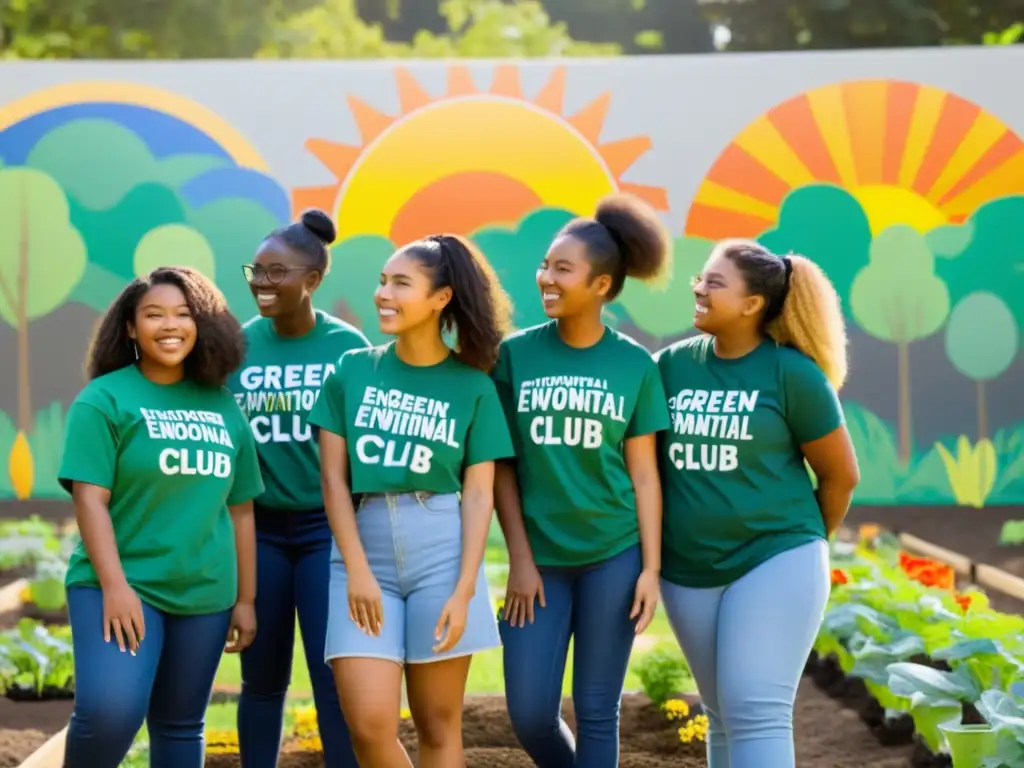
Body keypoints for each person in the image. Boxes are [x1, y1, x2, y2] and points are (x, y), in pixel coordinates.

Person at [308, 234, 514, 767]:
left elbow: (477, 494)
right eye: (382, 281)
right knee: (370, 725)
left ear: (441, 298)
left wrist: (465, 586)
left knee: (438, 724)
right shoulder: (352, 369)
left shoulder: (473, 386)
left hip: (442, 550)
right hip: (363, 543)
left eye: (401, 283)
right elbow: (333, 480)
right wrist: (355, 567)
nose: (383, 293)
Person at [655, 240, 860, 768]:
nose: (698, 288)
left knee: (756, 708)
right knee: (722, 712)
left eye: (714, 283)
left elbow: (840, 476)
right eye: (699, 278)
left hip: (774, 559)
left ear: (752, 305)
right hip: (688, 570)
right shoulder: (670, 368)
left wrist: (801, 546)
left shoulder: (792, 375)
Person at [492, 193, 672, 768]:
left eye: (561, 269)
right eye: (546, 265)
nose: (545, 277)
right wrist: (520, 557)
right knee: (529, 713)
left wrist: (650, 568)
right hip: (539, 561)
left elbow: (644, 475)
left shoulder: (635, 365)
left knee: (598, 710)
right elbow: (502, 467)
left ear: (600, 285)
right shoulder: (514, 356)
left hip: (612, 556)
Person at [58, 267, 263, 768]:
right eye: (154, 315)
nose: (170, 325)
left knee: (179, 724)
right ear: (130, 328)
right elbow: (90, 500)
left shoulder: (223, 406)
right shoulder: (104, 399)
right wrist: (115, 586)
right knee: (110, 713)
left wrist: (246, 599)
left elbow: (239, 511)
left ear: (202, 325)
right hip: (124, 586)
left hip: (206, 594)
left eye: (184, 314)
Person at [228, 209, 368, 767]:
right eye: (256, 271)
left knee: (333, 678)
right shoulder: (237, 346)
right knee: (260, 678)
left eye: (276, 273)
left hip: (325, 532)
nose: (262, 284)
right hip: (258, 532)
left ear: (312, 281)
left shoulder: (349, 349)